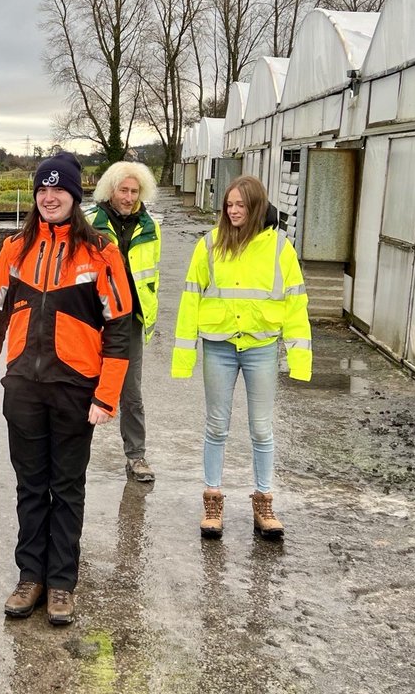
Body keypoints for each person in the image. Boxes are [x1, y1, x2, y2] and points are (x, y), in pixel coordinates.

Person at [0, 152, 134, 626]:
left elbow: (119, 329)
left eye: (58, 190)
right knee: (29, 486)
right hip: (23, 386)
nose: (49, 197)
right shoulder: (13, 249)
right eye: (43, 189)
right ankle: (30, 578)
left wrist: (107, 395)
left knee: (66, 488)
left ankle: (61, 583)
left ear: (75, 196)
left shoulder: (101, 251)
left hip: (75, 390)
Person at [172, 174, 311, 542]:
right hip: (218, 345)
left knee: (262, 428)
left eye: (241, 205)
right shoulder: (209, 245)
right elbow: (190, 300)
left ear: (257, 207)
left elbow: (296, 302)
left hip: (260, 346)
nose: (233, 211)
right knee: (216, 426)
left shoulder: (280, 247)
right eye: (229, 205)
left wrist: (299, 358)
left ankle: (264, 502)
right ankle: (213, 501)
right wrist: (183, 357)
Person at [87, 161, 162, 483]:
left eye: (134, 191)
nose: (129, 197)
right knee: (80, 386)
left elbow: (151, 276)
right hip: (91, 317)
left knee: (130, 392)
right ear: (110, 190)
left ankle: (136, 455)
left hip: (129, 319)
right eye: (123, 190)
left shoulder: (150, 226)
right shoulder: (89, 221)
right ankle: (71, 455)